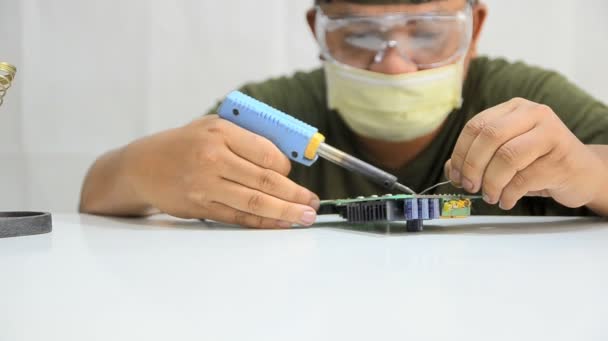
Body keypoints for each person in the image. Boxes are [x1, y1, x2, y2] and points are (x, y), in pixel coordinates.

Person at [79, 0, 608, 229]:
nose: (395, 64)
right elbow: (97, 196)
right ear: (318, 30)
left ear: (476, 28)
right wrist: (139, 169)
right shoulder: (269, 113)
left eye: (426, 31)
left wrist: (590, 170)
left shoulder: (526, 99)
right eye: (357, 36)